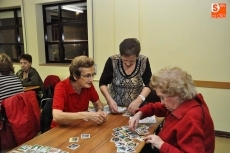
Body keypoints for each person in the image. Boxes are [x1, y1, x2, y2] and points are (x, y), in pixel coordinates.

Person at [129, 66, 215, 153]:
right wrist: (139, 113)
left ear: (177, 95)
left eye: (163, 98)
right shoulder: (181, 102)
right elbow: (155, 107)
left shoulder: (191, 119)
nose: (162, 102)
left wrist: (161, 144)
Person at [99, 38, 155, 114]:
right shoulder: (113, 60)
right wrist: (109, 100)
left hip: (136, 106)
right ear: (120, 55)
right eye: (124, 60)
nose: (128, 64)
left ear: (137, 56)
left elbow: (149, 84)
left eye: (131, 61)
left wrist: (139, 100)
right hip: (116, 107)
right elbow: (102, 83)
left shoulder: (143, 61)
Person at [51, 56, 107, 128]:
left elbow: (98, 104)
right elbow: (57, 116)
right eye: (87, 76)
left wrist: (99, 112)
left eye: (93, 75)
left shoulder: (88, 85)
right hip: (60, 128)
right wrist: (85, 115)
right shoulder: (61, 87)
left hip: (79, 125)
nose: (91, 79)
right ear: (75, 76)